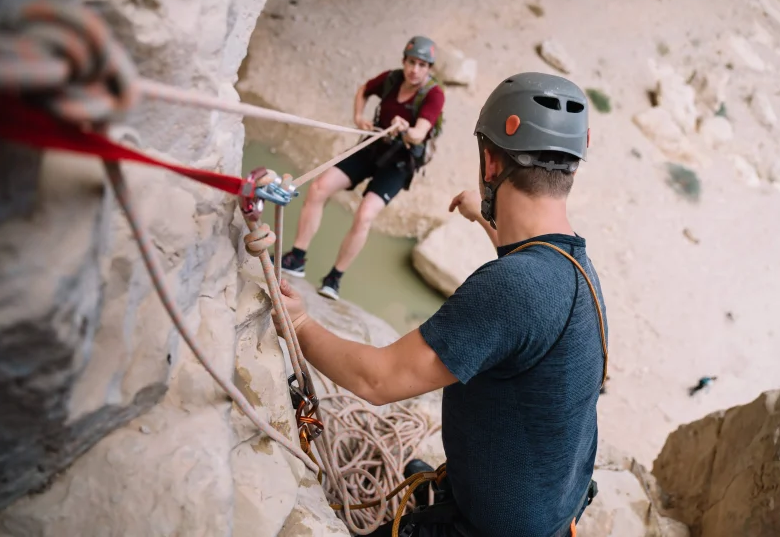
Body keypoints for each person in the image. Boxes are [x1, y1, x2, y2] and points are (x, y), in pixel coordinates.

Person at [259, 72, 607, 537]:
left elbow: (377, 380)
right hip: (553, 508)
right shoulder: (576, 268)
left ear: (489, 163)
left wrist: (299, 321)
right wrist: (481, 216)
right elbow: (527, 274)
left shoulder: (512, 290)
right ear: (572, 168)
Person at [275, 35, 446, 300]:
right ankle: (296, 256)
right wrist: (358, 116)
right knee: (320, 187)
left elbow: (420, 134)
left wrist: (406, 129)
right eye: (412, 62)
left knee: (365, 214)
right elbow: (364, 90)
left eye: (422, 65)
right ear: (404, 61)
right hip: (372, 147)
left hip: (399, 163)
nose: (415, 69)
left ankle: (334, 278)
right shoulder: (391, 79)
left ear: (430, 69)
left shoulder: (433, 96)